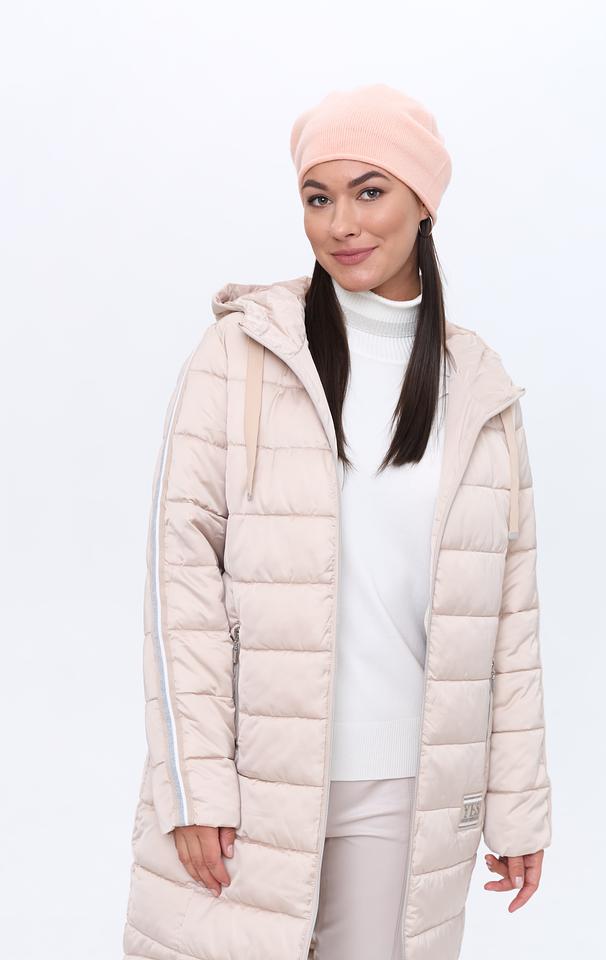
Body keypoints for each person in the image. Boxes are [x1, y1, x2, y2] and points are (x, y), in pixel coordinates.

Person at [122, 83, 552, 960]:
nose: (342, 224)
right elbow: (180, 583)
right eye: (318, 198)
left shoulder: (478, 390)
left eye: (370, 191)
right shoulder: (242, 356)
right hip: (252, 788)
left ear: (423, 202)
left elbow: (510, 617)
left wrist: (516, 803)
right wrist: (194, 782)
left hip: (409, 791)